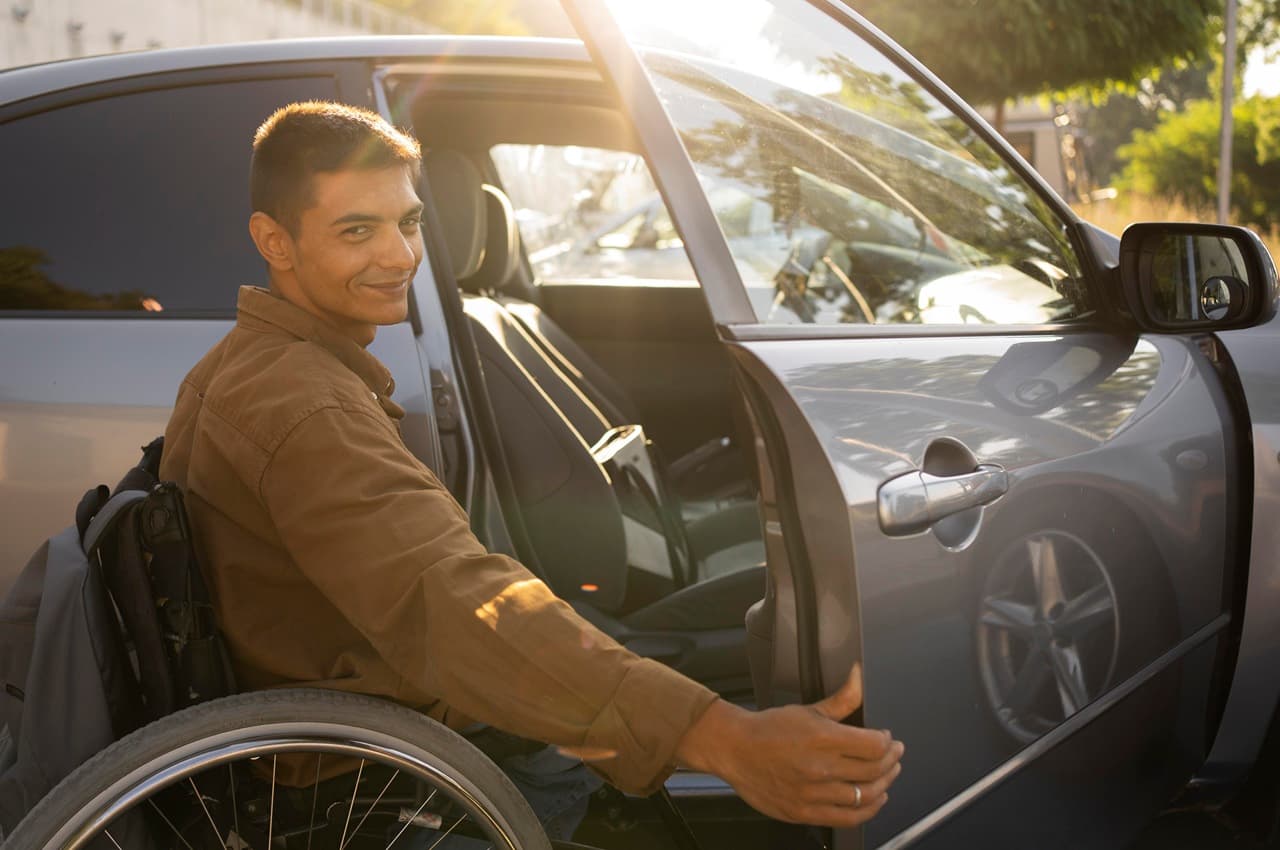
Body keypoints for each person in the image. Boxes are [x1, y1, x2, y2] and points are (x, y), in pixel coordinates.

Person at [160, 100, 903, 839]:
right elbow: (452, 603)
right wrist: (724, 738)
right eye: (357, 231)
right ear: (275, 241)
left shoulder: (255, 368)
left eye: (410, 223)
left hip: (370, 727)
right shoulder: (306, 408)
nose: (401, 257)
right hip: (372, 773)